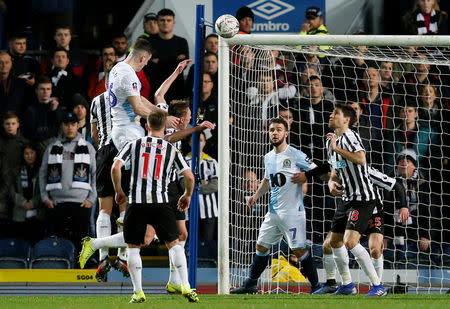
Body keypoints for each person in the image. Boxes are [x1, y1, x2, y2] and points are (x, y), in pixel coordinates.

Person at [111, 109, 198, 303]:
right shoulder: (171, 148)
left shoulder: (133, 145)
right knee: (174, 245)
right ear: (165, 127)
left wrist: (119, 191)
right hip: (161, 202)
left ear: (146, 126)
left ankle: (138, 291)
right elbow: (189, 176)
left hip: (136, 202)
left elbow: (115, 167)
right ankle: (185, 285)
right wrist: (187, 195)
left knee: (133, 247)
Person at [230, 117, 320, 294]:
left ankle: (316, 286)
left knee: (299, 250)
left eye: (279, 129)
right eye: (272, 130)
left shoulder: (295, 154)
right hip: (273, 212)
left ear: (286, 133)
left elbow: (317, 169)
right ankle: (251, 283)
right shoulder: (268, 157)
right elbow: (267, 179)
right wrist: (256, 195)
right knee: (261, 246)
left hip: (293, 213)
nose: (275, 133)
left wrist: (307, 177)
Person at [325, 104, 386, 296]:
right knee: (334, 242)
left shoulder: (350, 137)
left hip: (363, 198)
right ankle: (347, 285)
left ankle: (377, 286)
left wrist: (337, 148)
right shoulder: (330, 142)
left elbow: (361, 159)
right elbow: (335, 170)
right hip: (346, 198)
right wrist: (331, 183)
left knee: (350, 242)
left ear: (346, 120)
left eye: (336, 114)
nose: (331, 115)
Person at [39, 111, 97, 263]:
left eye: (73, 124)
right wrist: (45, 198)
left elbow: (96, 175)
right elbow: (42, 174)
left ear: (78, 125)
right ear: (62, 126)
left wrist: (91, 198)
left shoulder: (88, 148)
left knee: (81, 243)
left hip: (81, 203)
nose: (70, 127)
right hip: (57, 203)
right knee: (59, 243)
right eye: (66, 124)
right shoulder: (52, 148)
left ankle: (83, 275)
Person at [108, 38, 177, 152]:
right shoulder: (128, 76)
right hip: (127, 132)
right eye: (147, 61)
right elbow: (138, 108)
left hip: (123, 129)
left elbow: (138, 99)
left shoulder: (118, 68)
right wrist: (164, 120)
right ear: (142, 58)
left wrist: (164, 113)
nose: (145, 64)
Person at [144, 8, 189, 102]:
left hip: (177, 91)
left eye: (169, 20)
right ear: (157, 22)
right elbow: (148, 67)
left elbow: (182, 67)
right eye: (162, 20)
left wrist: (158, 61)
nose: (165, 23)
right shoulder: (148, 42)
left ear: (174, 22)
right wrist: (175, 61)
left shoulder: (181, 42)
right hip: (155, 90)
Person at [184, 132, 218, 241]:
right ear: (189, 143)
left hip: (209, 210)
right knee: (191, 241)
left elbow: (215, 186)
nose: (198, 143)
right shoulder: (184, 161)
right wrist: (204, 183)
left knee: (207, 242)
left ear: (205, 143)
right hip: (188, 209)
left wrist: (194, 185)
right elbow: (182, 184)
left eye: (201, 140)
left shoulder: (212, 161)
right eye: (195, 141)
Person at [11, 143, 47, 244]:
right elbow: (11, 190)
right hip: (20, 215)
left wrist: (33, 203)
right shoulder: (16, 171)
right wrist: (23, 202)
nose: (29, 156)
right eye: (26, 153)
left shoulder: (42, 170)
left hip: (38, 216)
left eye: (32, 153)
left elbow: (45, 190)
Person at [22, 76, 63, 151]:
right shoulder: (30, 110)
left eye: (48, 89)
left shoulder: (57, 109)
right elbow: (32, 135)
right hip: (36, 149)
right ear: (36, 90)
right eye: (42, 89)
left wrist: (54, 111)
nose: (45, 92)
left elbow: (60, 131)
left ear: (51, 91)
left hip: (55, 148)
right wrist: (52, 133)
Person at [111, 33, 150, 99]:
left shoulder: (134, 63)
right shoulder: (103, 62)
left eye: (122, 43)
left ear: (127, 44)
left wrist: (140, 102)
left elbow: (145, 87)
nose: (120, 46)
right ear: (112, 44)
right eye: (117, 43)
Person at [0, 51, 30, 119]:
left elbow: (24, 106)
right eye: (0, 62)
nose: (4, 65)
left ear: (11, 64)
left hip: (14, 124)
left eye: (7, 62)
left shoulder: (20, 83)